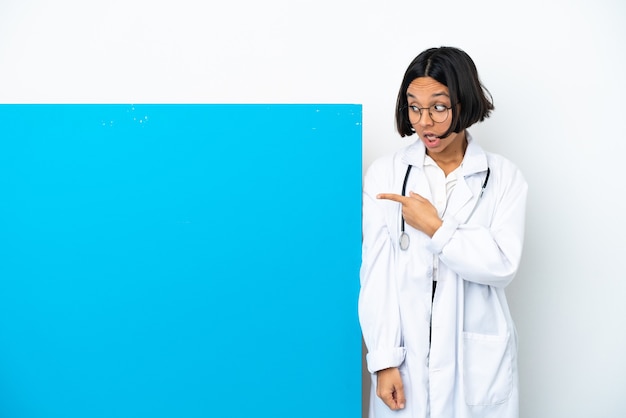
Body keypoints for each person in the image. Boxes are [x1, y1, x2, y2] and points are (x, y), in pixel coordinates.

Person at [358, 46, 527, 418]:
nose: (424, 122)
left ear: (464, 103)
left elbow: (501, 265)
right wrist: (384, 359)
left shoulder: (503, 178)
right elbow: (376, 276)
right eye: (413, 107)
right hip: (405, 364)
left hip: (476, 365)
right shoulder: (386, 175)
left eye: (438, 106)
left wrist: (434, 227)